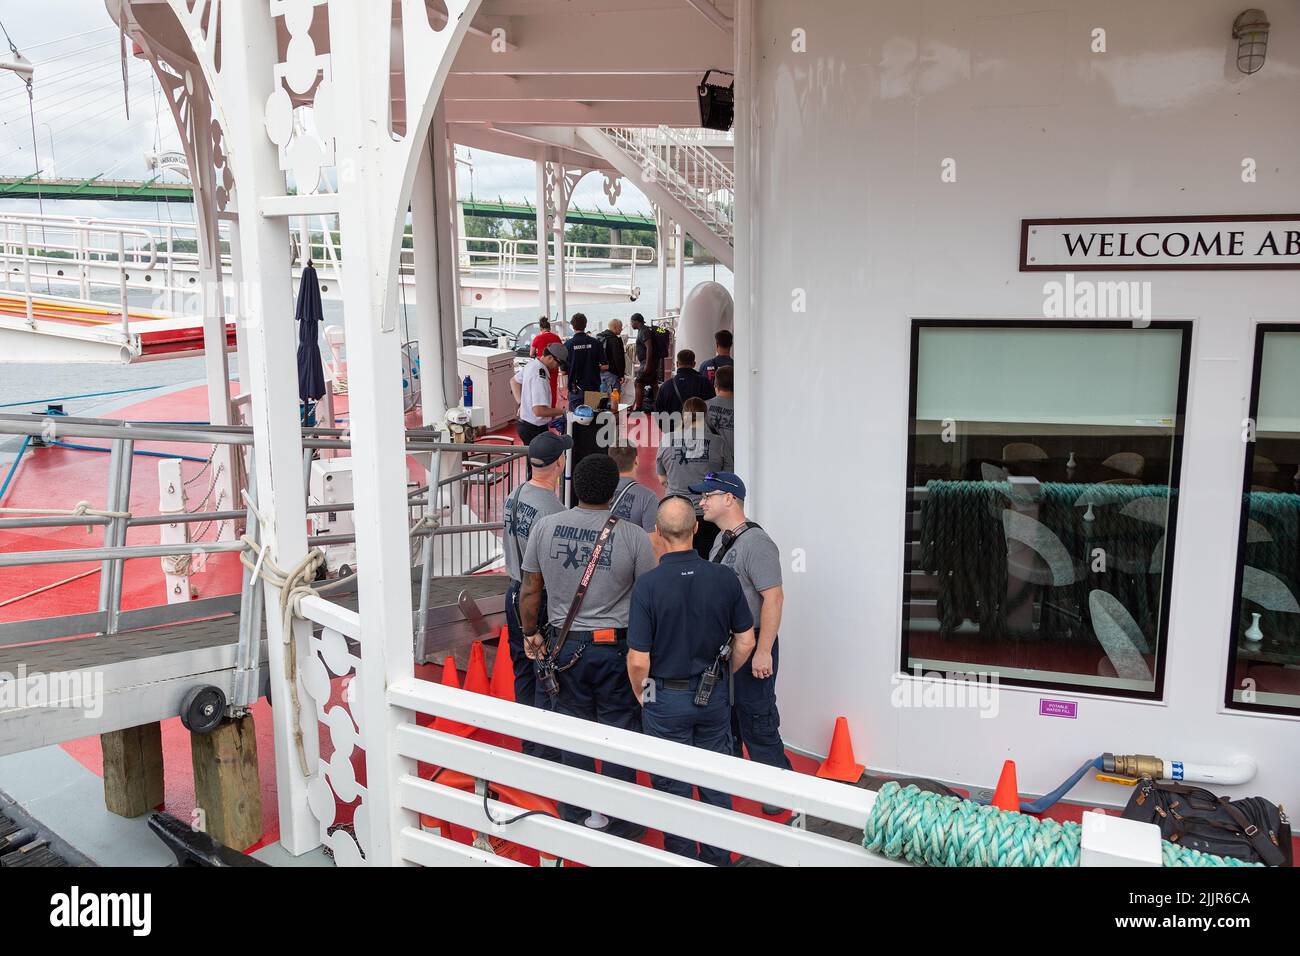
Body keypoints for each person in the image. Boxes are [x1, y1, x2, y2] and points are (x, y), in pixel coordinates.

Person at [519, 453, 658, 837]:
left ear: (576, 486)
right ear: (613, 490)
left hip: (564, 647)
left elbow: (531, 589)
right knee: (619, 727)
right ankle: (619, 818)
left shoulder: (546, 528)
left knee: (573, 726)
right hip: (617, 647)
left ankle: (576, 809)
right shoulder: (630, 535)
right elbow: (648, 598)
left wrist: (531, 633)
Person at [627, 496, 756, 865]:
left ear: (657, 532)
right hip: (711, 693)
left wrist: (643, 695)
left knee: (672, 789)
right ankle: (718, 858)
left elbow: (638, 660)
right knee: (715, 781)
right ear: (696, 529)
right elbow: (745, 639)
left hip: (664, 698)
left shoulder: (648, 587)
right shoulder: (724, 578)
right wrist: (724, 675)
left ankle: (682, 859)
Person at [694, 472, 793, 808]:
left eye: (708, 495)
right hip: (727, 647)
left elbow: (774, 598)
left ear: (730, 499)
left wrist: (764, 649)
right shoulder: (722, 540)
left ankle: (778, 788)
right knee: (729, 715)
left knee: (757, 716)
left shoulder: (757, 544)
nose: (701, 502)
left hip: (752, 647)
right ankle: (738, 778)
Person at [501, 432, 569, 760]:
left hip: (512, 592)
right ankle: (546, 752)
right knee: (546, 673)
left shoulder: (514, 495)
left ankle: (527, 745)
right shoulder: (553, 511)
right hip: (536, 598)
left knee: (522, 672)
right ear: (559, 462)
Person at [656, 397, 725, 557]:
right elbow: (725, 477)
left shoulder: (667, 439)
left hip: (674, 511)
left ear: (683, 415)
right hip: (708, 513)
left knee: (675, 558)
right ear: (705, 416)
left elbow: (661, 479)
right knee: (708, 558)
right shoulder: (718, 442)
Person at [510, 340, 567, 448]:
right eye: (559, 363)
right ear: (550, 358)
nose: (558, 367)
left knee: (531, 460)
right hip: (534, 428)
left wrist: (521, 403)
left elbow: (514, 381)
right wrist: (564, 411)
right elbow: (539, 410)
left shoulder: (532, 364)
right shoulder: (540, 376)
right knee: (539, 463)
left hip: (524, 424)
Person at [607, 443, 658, 533]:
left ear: (610, 462)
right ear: (636, 460)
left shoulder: (597, 491)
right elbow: (652, 540)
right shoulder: (648, 497)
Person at [653, 349, 715, 421]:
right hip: (697, 429)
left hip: (672, 429)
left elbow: (658, 413)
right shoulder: (704, 382)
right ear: (694, 364)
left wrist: (668, 428)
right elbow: (711, 408)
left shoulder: (665, 386)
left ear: (677, 363)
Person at [562, 313, 602, 403]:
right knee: (594, 414)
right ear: (585, 325)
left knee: (575, 416)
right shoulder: (596, 343)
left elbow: (563, 371)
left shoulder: (567, 345)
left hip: (575, 389)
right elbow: (605, 366)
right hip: (593, 386)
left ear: (572, 326)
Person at [706, 364, 735, 471]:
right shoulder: (744, 408)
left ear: (715, 384)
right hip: (737, 464)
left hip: (710, 466)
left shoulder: (703, 407)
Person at [530, 317, 562, 405]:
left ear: (541, 328)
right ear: (549, 328)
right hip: (554, 366)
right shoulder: (557, 337)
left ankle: (544, 408)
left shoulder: (538, 338)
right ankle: (552, 409)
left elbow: (531, 354)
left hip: (542, 366)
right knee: (553, 388)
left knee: (542, 388)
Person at [629, 313, 656, 412]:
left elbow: (649, 347)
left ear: (636, 321)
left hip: (647, 362)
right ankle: (657, 405)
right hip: (650, 363)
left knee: (638, 383)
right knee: (654, 383)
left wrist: (648, 364)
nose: (631, 324)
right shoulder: (644, 330)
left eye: (632, 322)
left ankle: (639, 407)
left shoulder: (643, 331)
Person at [597, 318, 627, 399]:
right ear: (615, 327)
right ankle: (614, 411)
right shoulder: (614, 340)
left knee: (602, 396)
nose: (621, 329)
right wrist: (621, 374)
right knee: (614, 398)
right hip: (612, 373)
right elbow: (618, 359)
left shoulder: (599, 337)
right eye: (620, 327)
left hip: (600, 372)